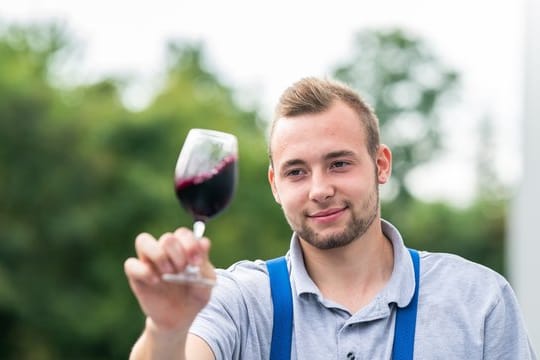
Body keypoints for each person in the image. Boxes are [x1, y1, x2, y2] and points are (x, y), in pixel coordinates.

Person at [124, 77, 537, 359]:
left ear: (381, 164)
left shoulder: (478, 300)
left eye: (338, 164)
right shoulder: (237, 300)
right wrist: (166, 329)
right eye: (296, 171)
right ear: (274, 184)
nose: (319, 189)